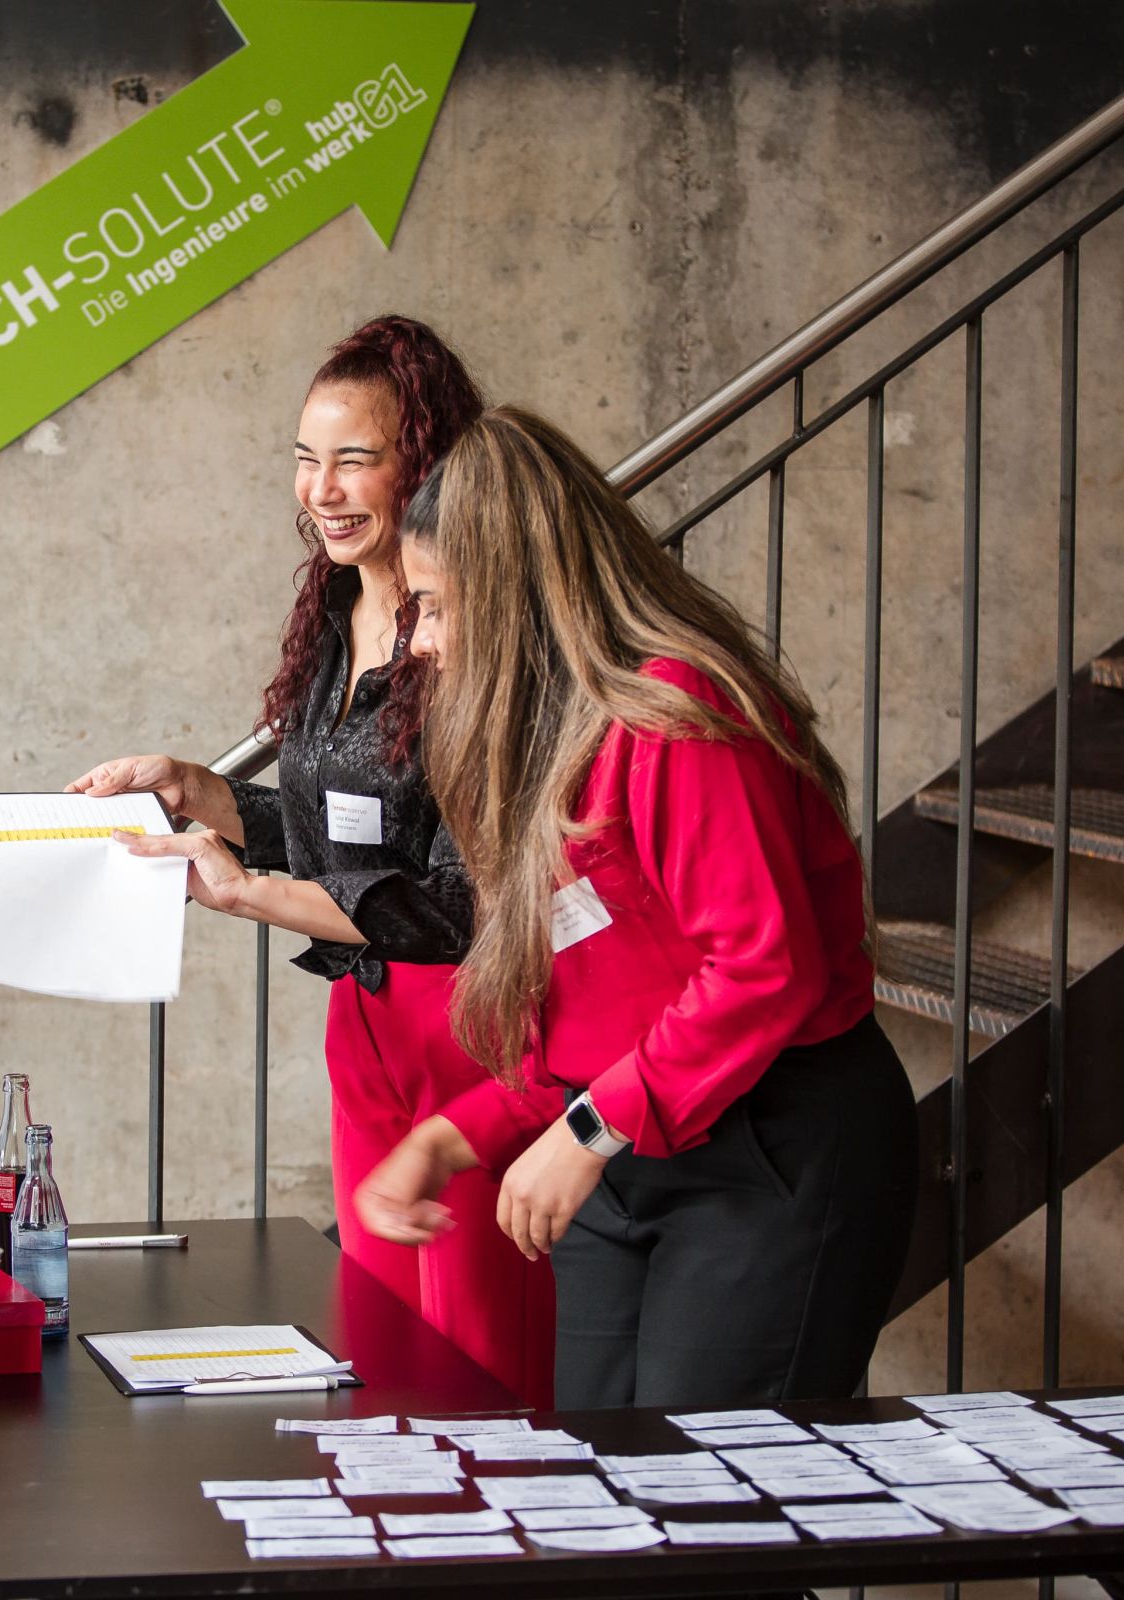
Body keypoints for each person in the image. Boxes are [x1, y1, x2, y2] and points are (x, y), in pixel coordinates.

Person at [353, 406, 918, 1410]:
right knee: (601, 1483)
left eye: (433, 607)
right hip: (623, 1154)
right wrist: (451, 1138)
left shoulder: (676, 717)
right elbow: (599, 1008)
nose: (423, 643)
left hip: (772, 1152)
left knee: (711, 1494)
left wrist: (588, 1129)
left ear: (515, 598)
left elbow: (762, 968)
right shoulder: (539, 745)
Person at [74, 317, 556, 1406]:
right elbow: (338, 844)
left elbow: (458, 902)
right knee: (382, 1346)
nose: (321, 490)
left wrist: (252, 893)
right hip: (365, 1019)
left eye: (354, 459)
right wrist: (201, 792)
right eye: (305, 458)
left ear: (423, 461)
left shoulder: (475, 629)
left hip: (470, 1023)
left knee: (483, 1361)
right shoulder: (334, 614)